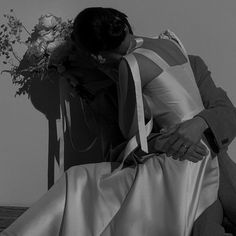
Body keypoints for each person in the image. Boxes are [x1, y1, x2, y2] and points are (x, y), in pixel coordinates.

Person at [1, 7, 236, 236]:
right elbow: (119, 149)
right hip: (169, 169)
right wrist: (161, 142)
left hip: (203, 172)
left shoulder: (184, 62)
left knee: (80, 182)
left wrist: (199, 124)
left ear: (96, 55)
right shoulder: (161, 50)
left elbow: (226, 111)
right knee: (79, 180)